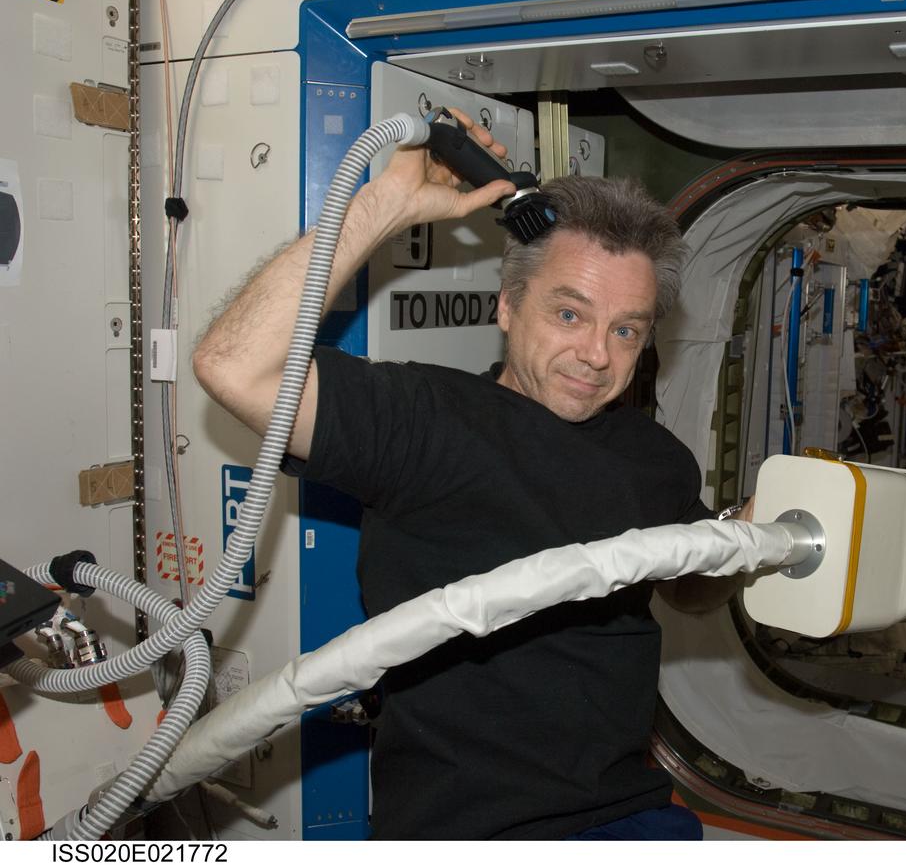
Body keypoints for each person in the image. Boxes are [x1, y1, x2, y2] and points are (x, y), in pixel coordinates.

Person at [193, 111, 742, 839]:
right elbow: (234, 365)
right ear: (508, 309)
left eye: (625, 329)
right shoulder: (429, 422)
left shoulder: (656, 457)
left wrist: (748, 543)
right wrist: (387, 204)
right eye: (570, 314)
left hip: (630, 815)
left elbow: (692, 586)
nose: (597, 355)